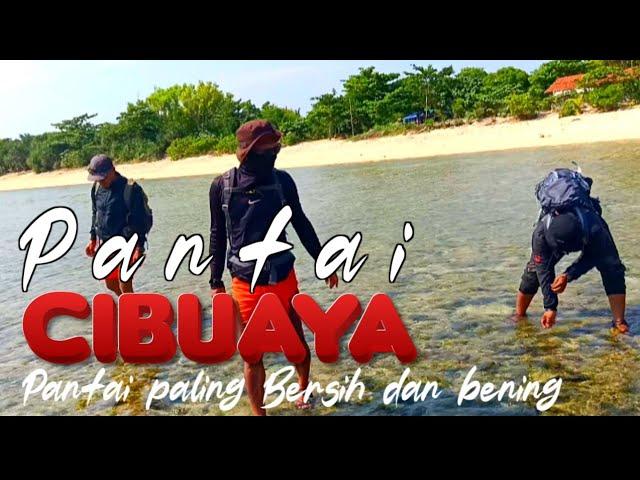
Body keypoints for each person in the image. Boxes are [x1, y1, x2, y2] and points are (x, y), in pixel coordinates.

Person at [208, 120, 339, 415]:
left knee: (298, 346)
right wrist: (215, 282)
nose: (274, 152)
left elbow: (301, 223)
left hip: (283, 278)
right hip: (245, 283)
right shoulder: (222, 187)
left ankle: (302, 390)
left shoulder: (283, 182)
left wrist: (323, 259)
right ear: (248, 152)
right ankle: (259, 413)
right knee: (252, 356)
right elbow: (217, 234)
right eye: (267, 148)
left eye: (275, 146)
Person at [515, 185, 628, 333]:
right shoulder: (540, 235)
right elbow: (543, 269)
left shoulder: (595, 228)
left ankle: (619, 321)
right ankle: (519, 315)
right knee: (534, 270)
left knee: (612, 266)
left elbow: (594, 256)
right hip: (554, 238)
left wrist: (568, 275)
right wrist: (550, 307)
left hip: (586, 233)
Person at [85, 154, 152, 296]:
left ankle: (133, 313)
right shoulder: (96, 188)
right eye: (97, 178)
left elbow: (141, 220)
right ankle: (136, 308)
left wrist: (139, 247)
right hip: (107, 243)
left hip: (129, 243)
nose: (100, 181)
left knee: (124, 282)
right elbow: (95, 212)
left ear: (112, 171)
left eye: (102, 178)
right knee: (111, 283)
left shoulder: (131, 189)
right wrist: (92, 238)